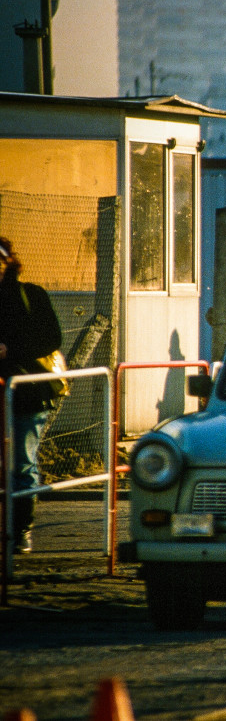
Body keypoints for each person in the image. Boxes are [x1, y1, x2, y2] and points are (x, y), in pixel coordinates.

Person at [0, 236, 63, 554]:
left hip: (26, 394)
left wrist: (11, 351)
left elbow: (52, 338)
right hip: (19, 394)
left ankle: (19, 531)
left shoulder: (30, 296)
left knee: (22, 465)